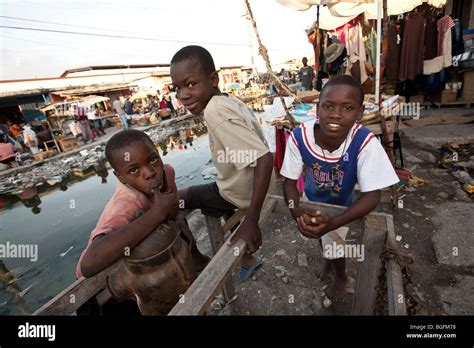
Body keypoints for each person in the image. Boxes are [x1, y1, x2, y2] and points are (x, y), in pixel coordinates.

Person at [281, 75, 399, 301]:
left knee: (334, 242)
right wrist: (297, 212)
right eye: (328, 106)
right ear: (317, 109)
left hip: (341, 207)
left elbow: (372, 196)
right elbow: (288, 182)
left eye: (347, 107)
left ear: (360, 112)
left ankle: (341, 277)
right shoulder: (299, 137)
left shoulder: (364, 141)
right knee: (319, 233)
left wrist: (334, 222)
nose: (335, 114)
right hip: (310, 199)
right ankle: (328, 258)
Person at [170, 45, 274, 282]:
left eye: (191, 84)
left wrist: (251, 220)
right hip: (245, 187)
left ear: (213, 79)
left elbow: (263, 158)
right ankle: (246, 260)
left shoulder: (214, 112)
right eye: (178, 89)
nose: (183, 94)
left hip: (245, 194)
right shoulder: (227, 102)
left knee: (177, 200)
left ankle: (197, 260)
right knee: (214, 190)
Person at [76, 129, 209, 279]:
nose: (149, 173)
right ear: (120, 177)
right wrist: (158, 213)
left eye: (153, 160)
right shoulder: (126, 204)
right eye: (133, 170)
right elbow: (88, 264)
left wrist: (173, 217)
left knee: (178, 220)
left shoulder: (167, 173)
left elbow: (172, 208)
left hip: (135, 259)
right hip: (102, 279)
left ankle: (198, 263)